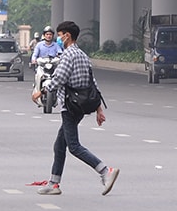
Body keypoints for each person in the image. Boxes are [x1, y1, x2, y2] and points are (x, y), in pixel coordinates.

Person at [29, 20, 119, 196]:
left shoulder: (68, 55)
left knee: (74, 146)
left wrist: (40, 93)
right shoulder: (83, 55)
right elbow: (92, 82)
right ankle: (54, 184)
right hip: (81, 105)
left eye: (61, 35)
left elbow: (59, 78)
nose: (59, 38)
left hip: (70, 106)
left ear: (67, 36)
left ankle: (105, 171)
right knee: (59, 145)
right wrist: (99, 109)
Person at [30, 24, 64, 96]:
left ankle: (59, 93)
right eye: (47, 34)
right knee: (38, 74)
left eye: (50, 34)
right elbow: (35, 55)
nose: (49, 36)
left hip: (53, 66)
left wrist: (61, 58)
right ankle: (37, 88)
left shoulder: (56, 45)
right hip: (42, 66)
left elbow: (60, 53)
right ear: (44, 35)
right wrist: (34, 60)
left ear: (52, 36)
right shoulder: (39, 45)